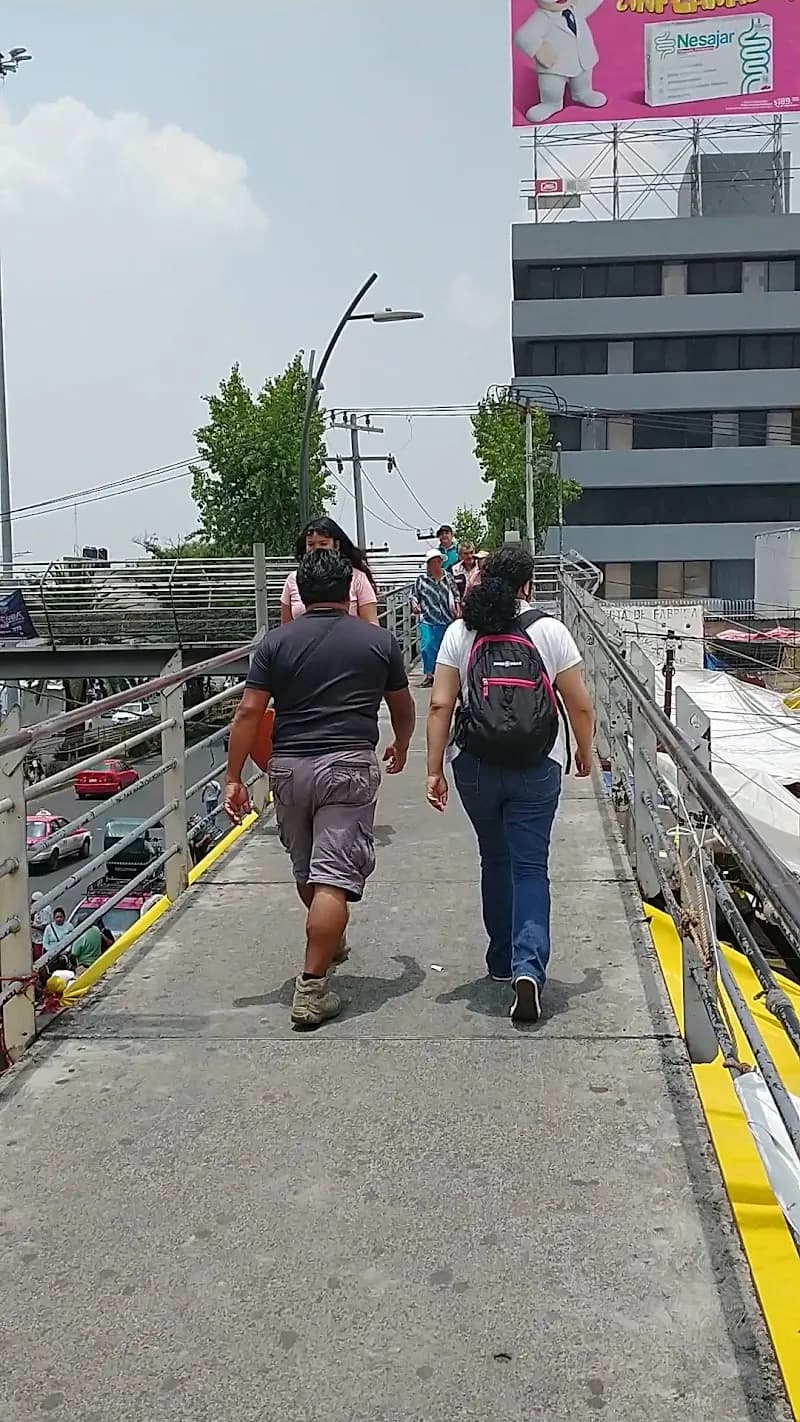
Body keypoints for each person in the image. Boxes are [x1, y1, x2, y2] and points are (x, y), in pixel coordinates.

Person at [225, 549, 416, 1028]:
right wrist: (403, 743)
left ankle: (328, 940)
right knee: (333, 879)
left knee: (308, 871)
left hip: (289, 769)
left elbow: (249, 712)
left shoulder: (275, 642)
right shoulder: (378, 642)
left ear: (302, 594)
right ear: (348, 591)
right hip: (347, 766)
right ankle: (311, 990)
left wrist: (232, 778)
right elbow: (402, 705)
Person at [425, 545, 595, 1026]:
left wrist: (434, 769)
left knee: (494, 858)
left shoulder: (461, 632)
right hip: (537, 763)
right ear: (528, 584)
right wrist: (584, 750)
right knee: (529, 866)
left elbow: (440, 706)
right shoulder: (549, 631)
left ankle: (501, 960)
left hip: (475, 764)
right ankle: (528, 968)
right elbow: (579, 705)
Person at [281, 518, 379, 625]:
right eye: (311, 544)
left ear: (336, 545)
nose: (317, 549)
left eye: (323, 544)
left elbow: (371, 625)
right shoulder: (293, 579)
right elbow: (286, 627)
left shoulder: (358, 578)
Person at [412, 549, 457, 689]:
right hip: (428, 618)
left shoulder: (448, 578)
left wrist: (457, 607)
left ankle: (444, 675)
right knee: (427, 646)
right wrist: (414, 603)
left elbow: (456, 594)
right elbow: (414, 595)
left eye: (438, 561)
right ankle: (429, 675)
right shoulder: (421, 580)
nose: (437, 564)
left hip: (446, 618)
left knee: (443, 648)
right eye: (433, 561)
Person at [31, 892, 52, 962]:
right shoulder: (34, 909)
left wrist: (33, 926)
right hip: (33, 938)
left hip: (41, 940)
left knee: (39, 958)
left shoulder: (46, 910)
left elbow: (44, 927)